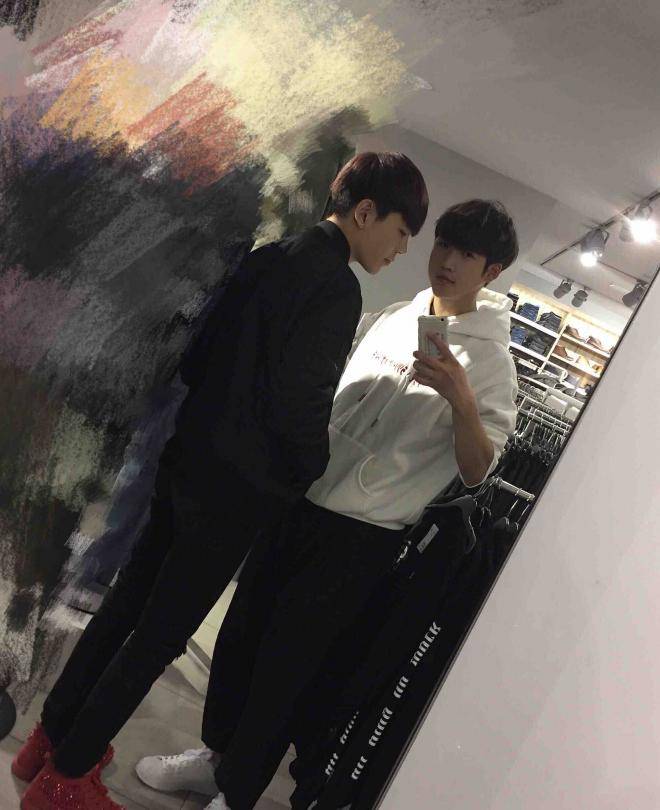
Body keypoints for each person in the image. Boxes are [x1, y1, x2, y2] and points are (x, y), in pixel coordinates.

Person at [14, 151, 429, 810]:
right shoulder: (336, 287)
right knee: (158, 635)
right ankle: (67, 777)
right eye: (401, 232)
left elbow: (199, 356)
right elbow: (302, 406)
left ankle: (48, 740)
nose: (401, 249)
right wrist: (307, 468)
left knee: (125, 607)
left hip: (188, 458)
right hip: (236, 494)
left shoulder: (270, 257)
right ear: (366, 211)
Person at [134, 199, 521, 810]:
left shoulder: (494, 365)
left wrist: (462, 400)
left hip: (363, 534)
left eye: (466, 254)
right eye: (443, 243)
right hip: (300, 497)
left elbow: (478, 470)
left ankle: (238, 791)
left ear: (491, 272)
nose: (446, 260)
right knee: (241, 634)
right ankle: (215, 758)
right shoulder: (394, 316)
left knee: (287, 667)